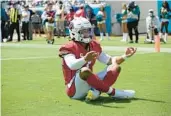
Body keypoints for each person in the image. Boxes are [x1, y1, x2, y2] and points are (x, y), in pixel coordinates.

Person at [59, 17, 137, 101]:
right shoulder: (68, 47)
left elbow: (110, 60)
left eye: (88, 30)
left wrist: (125, 56)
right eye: (83, 31)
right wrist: (84, 59)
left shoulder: (93, 45)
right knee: (84, 70)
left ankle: (95, 92)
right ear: (74, 33)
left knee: (115, 67)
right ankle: (113, 92)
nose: (87, 33)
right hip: (74, 89)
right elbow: (72, 65)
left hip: (90, 82)